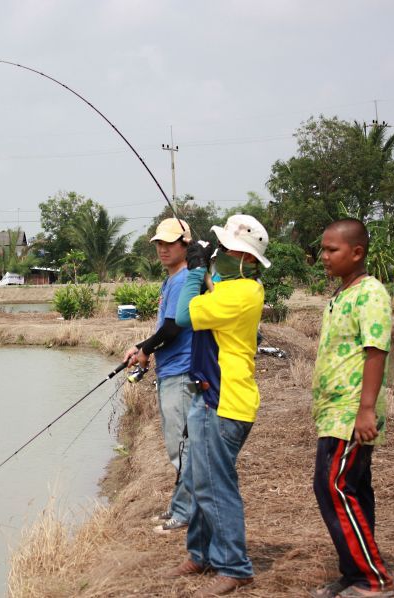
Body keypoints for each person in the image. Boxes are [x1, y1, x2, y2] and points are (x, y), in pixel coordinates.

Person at [166, 214, 270, 596]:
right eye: (221, 249)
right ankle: (200, 554)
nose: (222, 255)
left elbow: (184, 315)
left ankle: (234, 566)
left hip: (222, 402)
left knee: (214, 486)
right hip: (210, 394)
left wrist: (194, 270)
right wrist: (204, 270)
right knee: (197, 478)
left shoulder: (239, 294)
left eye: (229, 251)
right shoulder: (241, 290)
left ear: (250, 261)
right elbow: (215, 293)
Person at [309, 218, 394, 598]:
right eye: (323, 250)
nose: (324, 257)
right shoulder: (343, 293)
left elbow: (375, 352)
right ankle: (355, 570)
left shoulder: (371, 294)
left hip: (350, 412)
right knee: (353, 488)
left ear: (357, 252)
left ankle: (372, 579)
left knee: (333, 486)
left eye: (332, 250)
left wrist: (366, 410)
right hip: (333, 413)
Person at [122, 217, 195, 534]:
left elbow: (174, 327)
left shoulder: (184, 280)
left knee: (180, 447)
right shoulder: (172, 281)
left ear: (185, 245)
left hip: (181, 371)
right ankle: (179, 508)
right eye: (159, 244)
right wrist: (143, 347)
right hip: (171, 370)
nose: (163, 249)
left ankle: (186, 513)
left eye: (170, 243)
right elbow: (163, 329)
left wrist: (146, 349)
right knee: (178, 445)